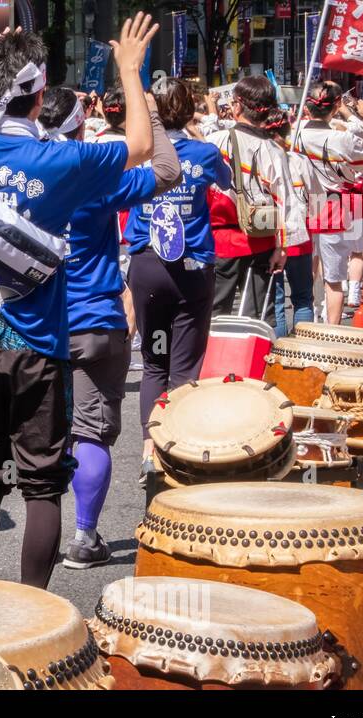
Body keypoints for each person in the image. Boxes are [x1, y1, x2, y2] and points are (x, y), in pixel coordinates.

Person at [0, 17, 155, 589]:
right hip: (38, 343)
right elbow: (145, 147)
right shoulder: (61, 163)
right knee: (42, 484)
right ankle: (34, 607)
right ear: (38, 95)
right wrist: (129, 69)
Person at [37, 84, 179, 569]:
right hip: (96, 317)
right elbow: (165, 172)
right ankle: (84, 536)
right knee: (91, 432)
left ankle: (42, 534)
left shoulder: (19, 170)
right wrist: (152, 114)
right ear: (81, 125)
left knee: (46, 433)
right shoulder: (94, 175)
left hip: (35, 322)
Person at [122, 76, 231, 484]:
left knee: (153, 364)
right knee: (183, 369)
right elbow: (228, 182)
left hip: (146, 265)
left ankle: (149, 451)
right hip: (192, 267)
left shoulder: (138, 154)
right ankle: (176, 454)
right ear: (189, 111)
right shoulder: (204, 151)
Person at [207, 76, 309, 325]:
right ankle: (251, 363)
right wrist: (283, 247)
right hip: (261, 240)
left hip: (219, 241)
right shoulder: (275, 151)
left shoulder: (215, 142)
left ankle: (213, 363)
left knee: (213, 314)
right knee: (258, 317)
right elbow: (287, 201)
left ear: (238, 106)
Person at [289, 82, 363, 325]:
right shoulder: (341, 137)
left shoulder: (294, 134)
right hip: (342, 204)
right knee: (336, 275)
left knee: (308, 265)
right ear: (335, 106)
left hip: (302, 204)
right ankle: (331, 328)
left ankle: (305, 316)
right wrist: (362, 119)